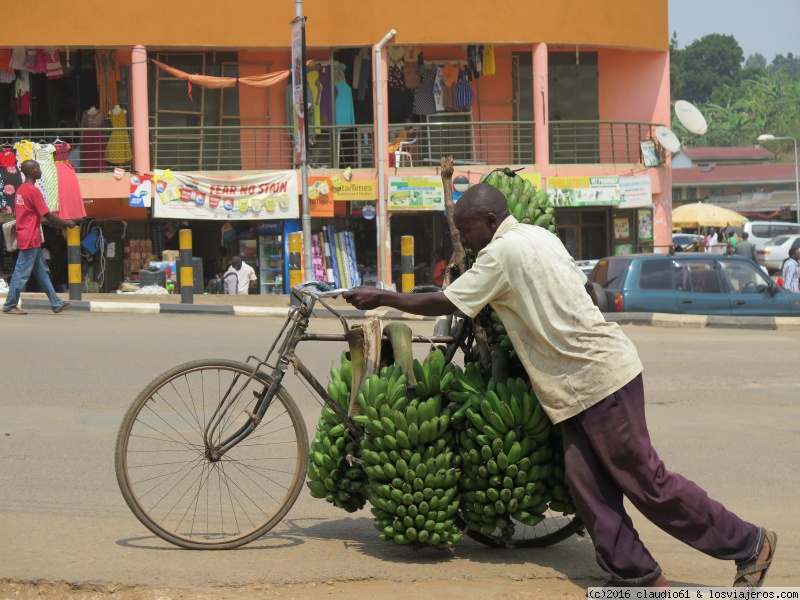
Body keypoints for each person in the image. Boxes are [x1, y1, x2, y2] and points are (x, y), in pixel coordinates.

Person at [343, 183, 776, 588]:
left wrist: (382, 296)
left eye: (466, 228)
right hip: (576, 385)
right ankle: (636, 575)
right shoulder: (538, 237)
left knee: (647, 482)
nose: (463, 237)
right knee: (585, 480)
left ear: (491, 220)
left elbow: (449, 301)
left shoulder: (500, 253)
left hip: (598, 377)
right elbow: (583, 287)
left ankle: (750, 543)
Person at [3, 160, 76, 315]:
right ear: (30, 172)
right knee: (21, 273)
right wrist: (67, 223)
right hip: (29, 237)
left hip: (29, 236)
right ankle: (10, 305)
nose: (40, 170)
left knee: (42, 272)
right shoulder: (33, 191)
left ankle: (56, 303)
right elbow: (48, 215)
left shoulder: (21, 190)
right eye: (37, 168)